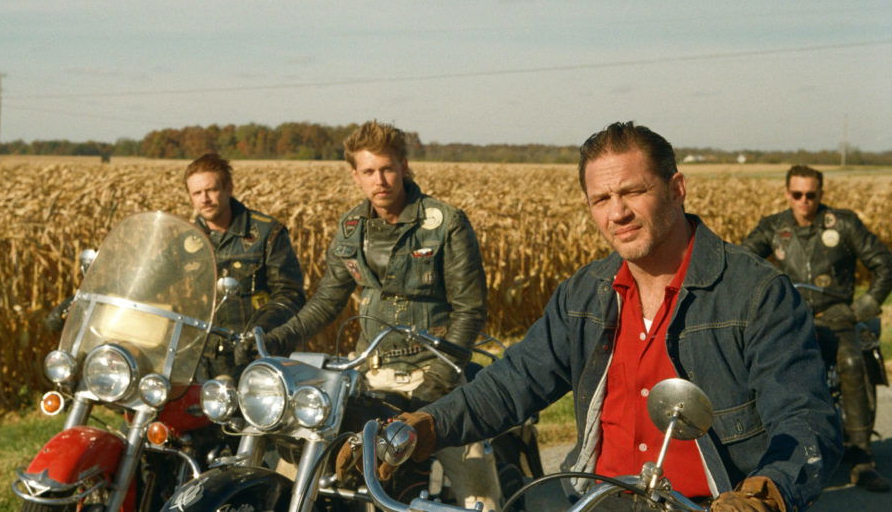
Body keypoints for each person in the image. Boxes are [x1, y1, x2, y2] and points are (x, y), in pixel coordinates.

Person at [344, 122, 842, 512]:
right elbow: (511, 382)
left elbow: (804, 419)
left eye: (632, 191)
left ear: (676, 188)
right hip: (599, 503)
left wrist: (765, 495)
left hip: (710, 504)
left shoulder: (755, 294)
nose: (617, 213)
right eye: (601, 199)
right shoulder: (586, 293)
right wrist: (424, 428)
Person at [265, 121, 501, 511]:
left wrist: (439, 384)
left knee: (477, 488)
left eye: (388, 168)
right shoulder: (351, 229)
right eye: (370, 171)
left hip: (437, 374)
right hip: (370, 377)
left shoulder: (444, 224)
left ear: (404, 166)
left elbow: (469, 310)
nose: (381, 180)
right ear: (355, 175)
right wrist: (280, 337)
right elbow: (328, 299)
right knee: (301, 469)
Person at [743, 164, 892, 492]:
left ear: (821, 195)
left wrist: (863, 307)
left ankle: (861, 459)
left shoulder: (844, 223)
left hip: (836, 317)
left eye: (811, 195)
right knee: (754, 365)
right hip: (789, 318)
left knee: (852, 363)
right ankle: (761, 454)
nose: (804, 201)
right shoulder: (773, 227)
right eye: (797, 194)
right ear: (787, 194)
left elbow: (884, 262)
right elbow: (743, 263)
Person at [184, 152, 306, 379]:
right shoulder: (184, 240)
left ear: (229, 188)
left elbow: (290, 294)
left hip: (253, 358)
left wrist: (259, 333)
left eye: (211, 190)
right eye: (197, 193)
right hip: (198, 360)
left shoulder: (266, 233)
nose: (205, 199)